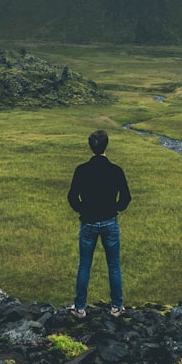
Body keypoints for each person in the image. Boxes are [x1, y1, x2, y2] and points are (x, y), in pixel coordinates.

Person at [66, 129, 131, 317]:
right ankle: (117, 306)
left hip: (88, 223)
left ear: (90, 147)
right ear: (106, 145)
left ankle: (79, 308)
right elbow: (126, 197)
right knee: (114, 266)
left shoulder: (82, 170)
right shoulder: (116, 170)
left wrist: (82, 209)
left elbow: (72, 196)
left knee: (84, 265)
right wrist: (115, 208)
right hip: (110, 221)